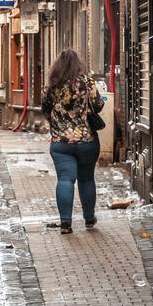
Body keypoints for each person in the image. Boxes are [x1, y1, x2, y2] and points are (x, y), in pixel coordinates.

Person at [41, 49, 105, 234]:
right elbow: (99, 106)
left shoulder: (53, 85)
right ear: (78, 64)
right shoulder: (86, 82)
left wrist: (58, 122)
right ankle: (89, 219)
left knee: (65, 180)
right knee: (86, 179)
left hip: (61, 142)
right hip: (87, 140)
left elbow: (45, 107)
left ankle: (65, 223)